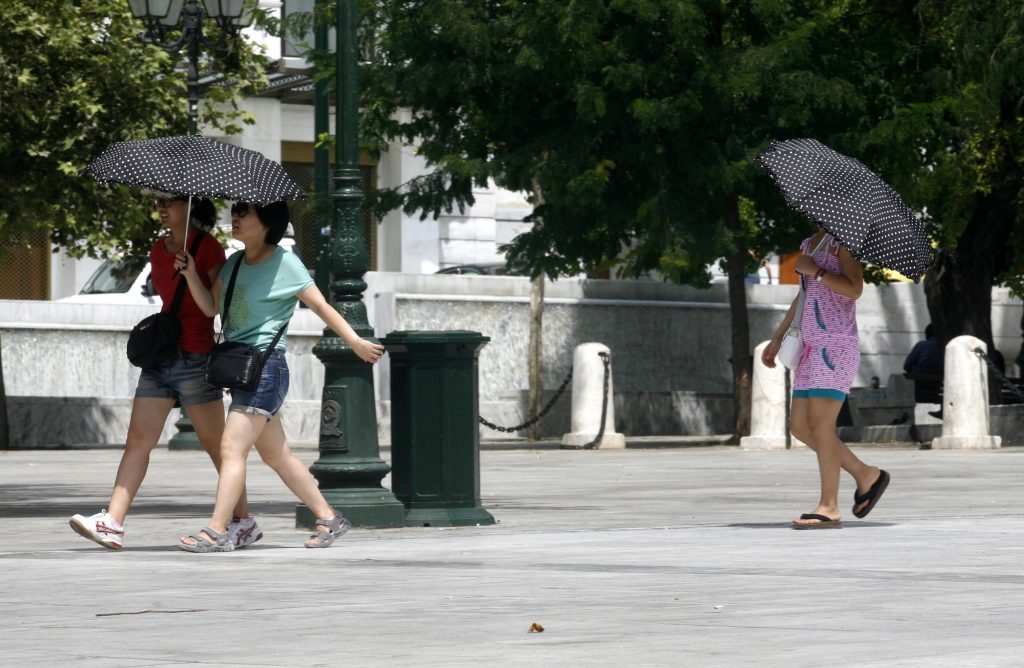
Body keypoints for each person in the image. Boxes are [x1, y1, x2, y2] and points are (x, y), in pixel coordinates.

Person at [175, 200, 384, 552]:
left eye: (244, 213)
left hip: (266, 367)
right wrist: (190, 273)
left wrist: (354, 341)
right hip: (241, 367)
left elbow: (320, 305)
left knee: (231, 448)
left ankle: (217, 530)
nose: (235, 218)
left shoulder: (285, 262)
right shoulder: (234, 263)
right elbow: (211, 308)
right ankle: (329, 518)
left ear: (267, 223)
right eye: (235, 212)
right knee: (277, 455)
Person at [70, 193, 260, 550]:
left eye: (170, 201)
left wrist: (190, 272)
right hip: (160, 357)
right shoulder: (158, 250)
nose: (162, 207)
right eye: (158, 201)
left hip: (195, 357)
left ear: (190, 205)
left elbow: (212, 307)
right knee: (138, 441)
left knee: (217, 447)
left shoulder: (208, 248)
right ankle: (112, 522)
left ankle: (243, 521)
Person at [762, 227, 889, 529]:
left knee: (821, 427)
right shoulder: (810, 242)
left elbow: (855, 289)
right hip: (809, 346)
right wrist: (778, 337)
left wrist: (817, 271)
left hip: (834, 345)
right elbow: (803, 295)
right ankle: (865, 474)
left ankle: (829, 506)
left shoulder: (844, 243)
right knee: (800, 427)